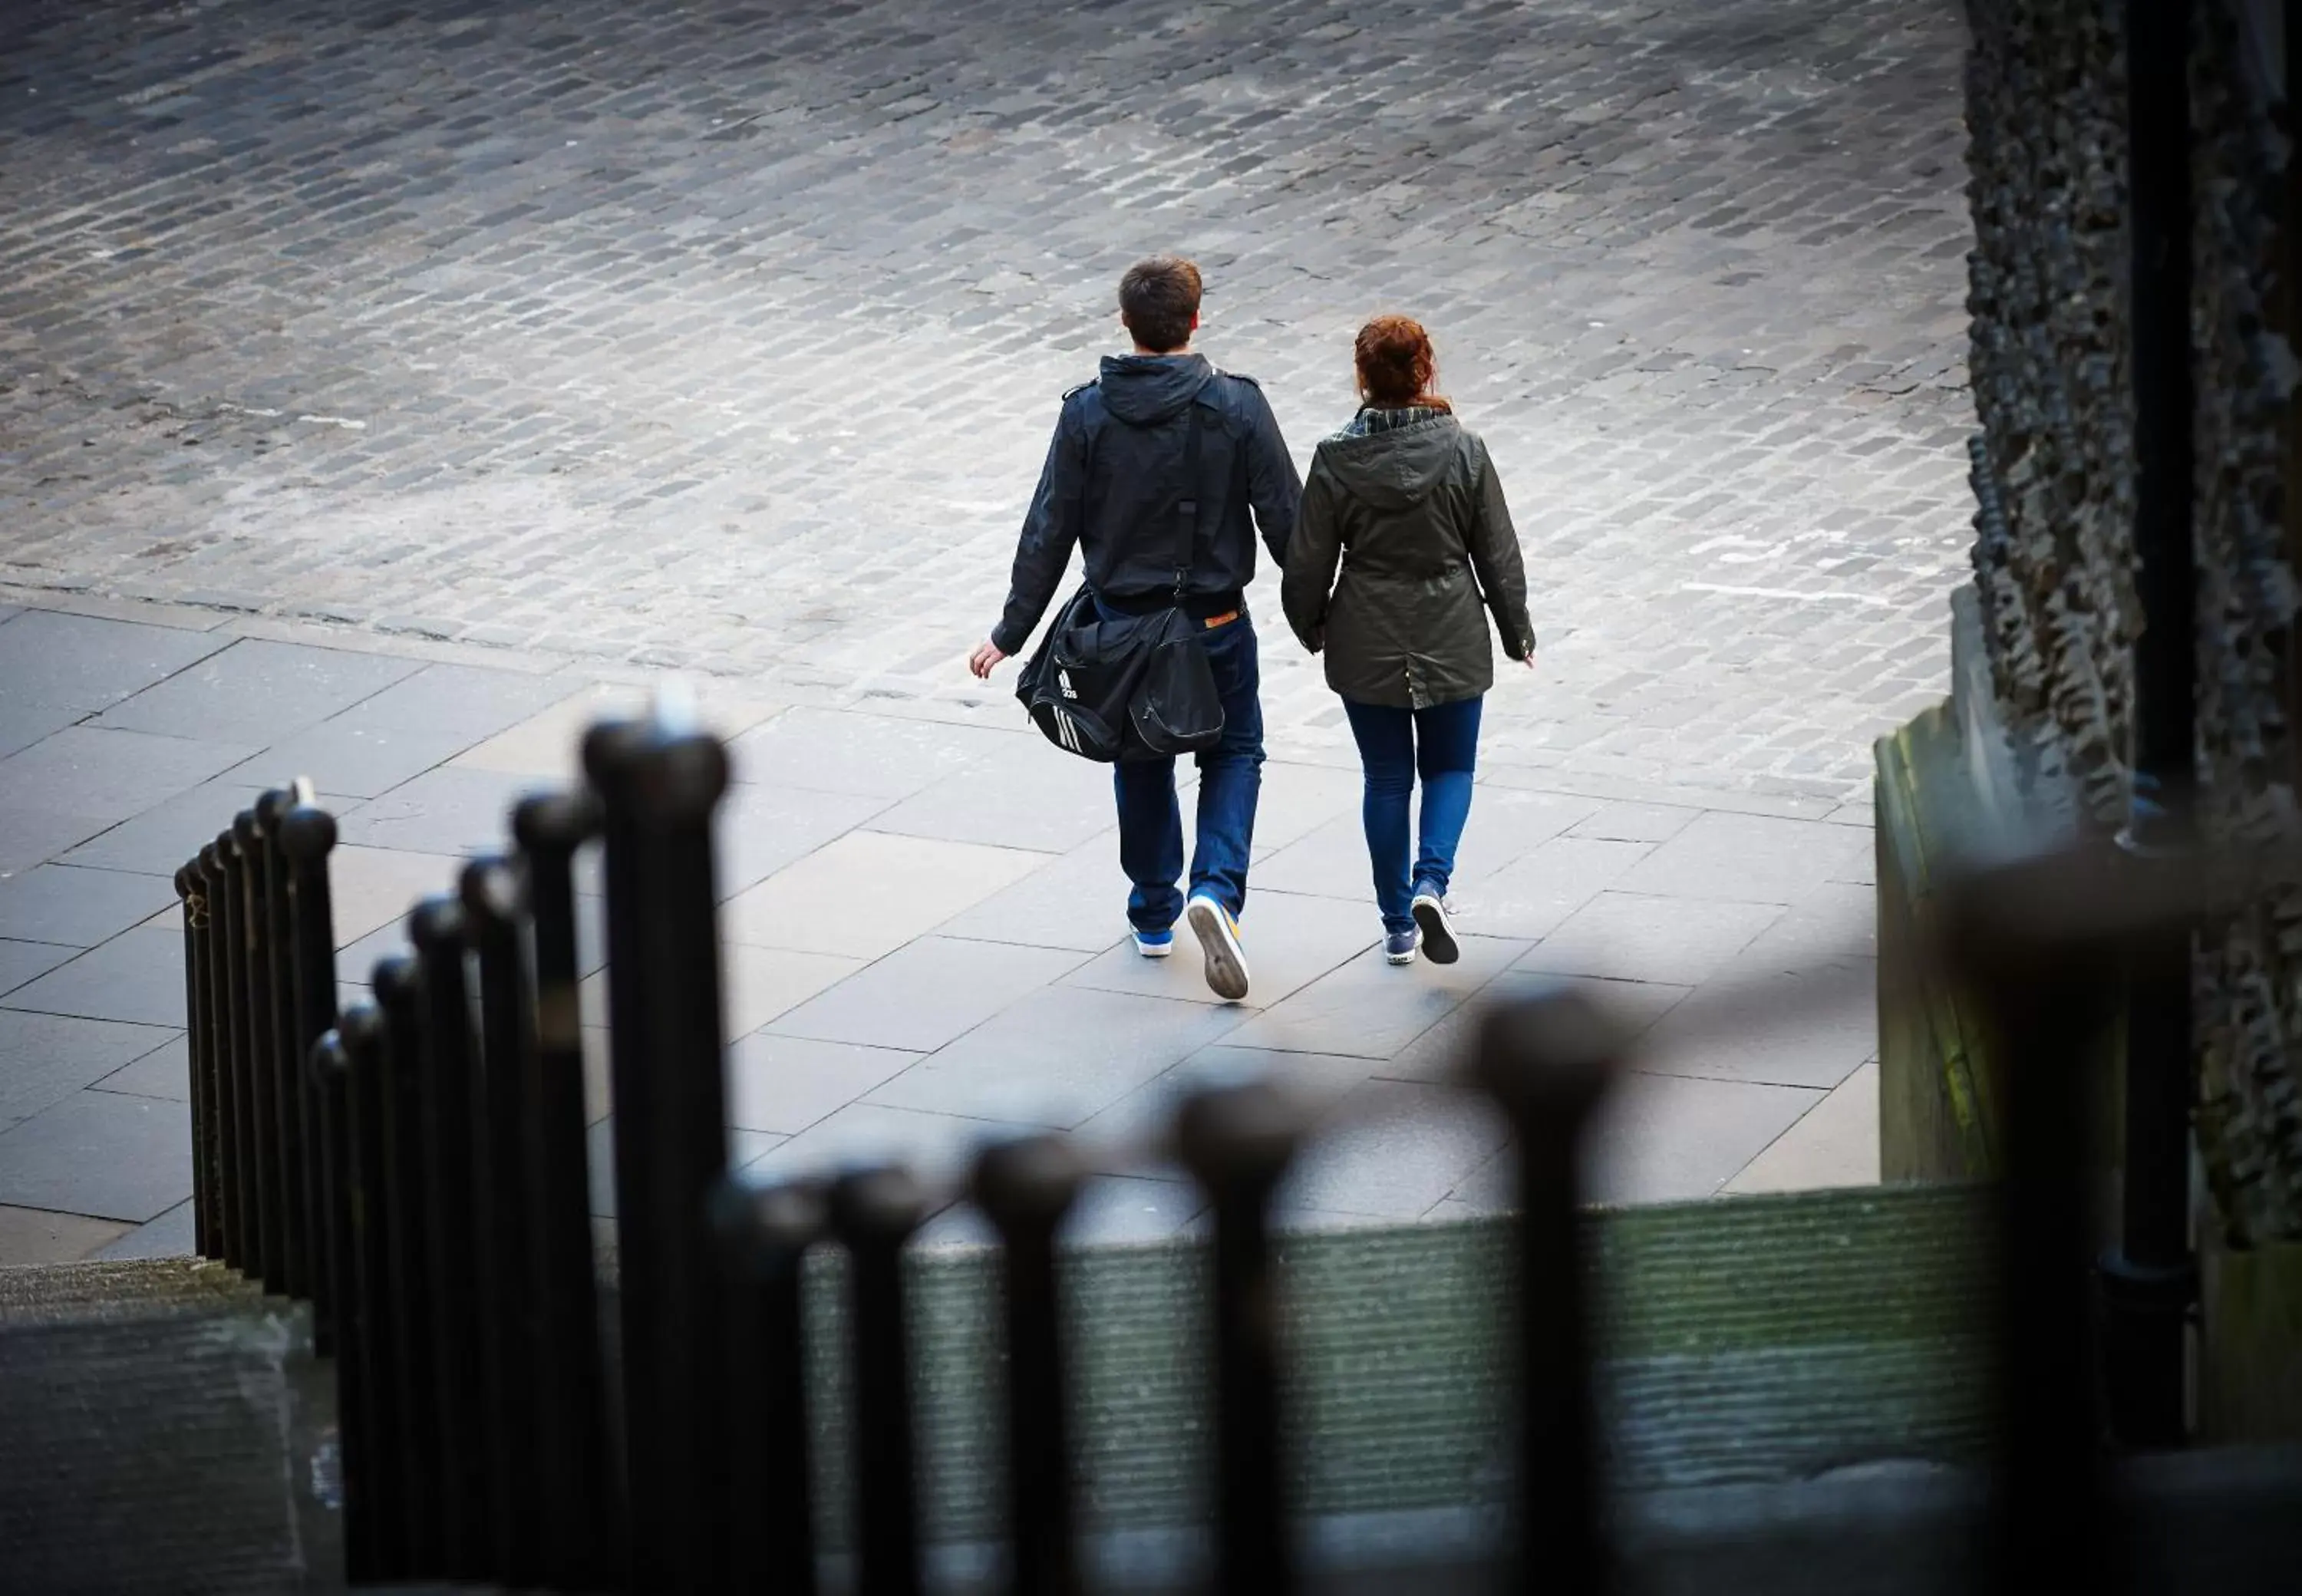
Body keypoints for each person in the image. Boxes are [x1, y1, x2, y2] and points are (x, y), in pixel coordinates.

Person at [970, 256, 1301, 1001]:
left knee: (1142, 755)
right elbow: (1288, 519)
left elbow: (1049, 526)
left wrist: (1012, 630)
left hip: (1123, 626)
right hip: (1214, 622)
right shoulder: (1237, 406)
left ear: (1126, 323)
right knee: (1235, 751)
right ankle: (1215, 889)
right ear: (1195, 320)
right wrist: (1320, 618)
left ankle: (1154, 913)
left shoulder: (1087, 411)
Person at [1281, 315, 1535, 965]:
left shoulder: (1336, 458)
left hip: (1365, 633)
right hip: (1451, 627)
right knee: (1450, 767)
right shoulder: (1465, 449)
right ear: (1426, 370)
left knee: (1386, 778)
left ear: (1363, 377)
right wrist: (1516, 633)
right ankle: (1433, 880)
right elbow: (1497, 554)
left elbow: (1308, 562)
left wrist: (1313, 627)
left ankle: (1397, 922)